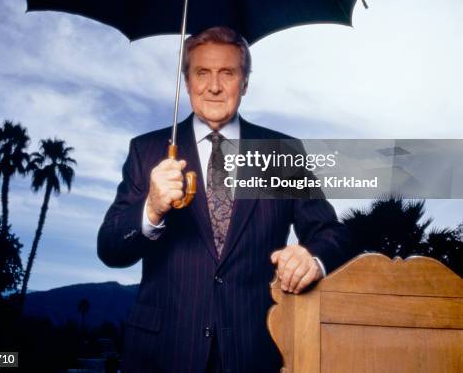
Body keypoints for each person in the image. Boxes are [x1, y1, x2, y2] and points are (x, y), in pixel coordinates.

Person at [97, 27, 352, 373]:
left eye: (227, 73)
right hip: (161, 353)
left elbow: (332, 234)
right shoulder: (146, 150)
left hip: (256, 349)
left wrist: (311, 257)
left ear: (244, 83)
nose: (213, 86)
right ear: (186, 81)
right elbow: (110, 248)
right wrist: (151, 209)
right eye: (202, 72)